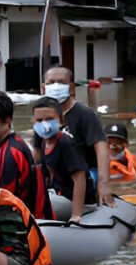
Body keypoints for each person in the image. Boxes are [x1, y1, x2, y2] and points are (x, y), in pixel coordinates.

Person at [0, 90, 55, 220]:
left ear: (7, 121)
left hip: (33, 229)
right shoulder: (5, 147)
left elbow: (0, 208)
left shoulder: (9, 154)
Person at [42, 65, 114, 206]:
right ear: (43, 88)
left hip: (85, 174)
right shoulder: (42, 116)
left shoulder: (84, 113)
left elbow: (101, 147)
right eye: (51, 83)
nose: (56, 87)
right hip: (58, 176)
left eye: (61, 82)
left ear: (72, 88)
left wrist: (104, 183)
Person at [32, 96, 96, 222]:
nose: (44, 124)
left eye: (49, 119)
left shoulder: (66, 142)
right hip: (59, 194)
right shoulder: (44, 143)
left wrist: (76, 215)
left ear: (61, 120)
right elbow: (45, 176)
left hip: (78, 202)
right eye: (39, 120)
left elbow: (79, 178)